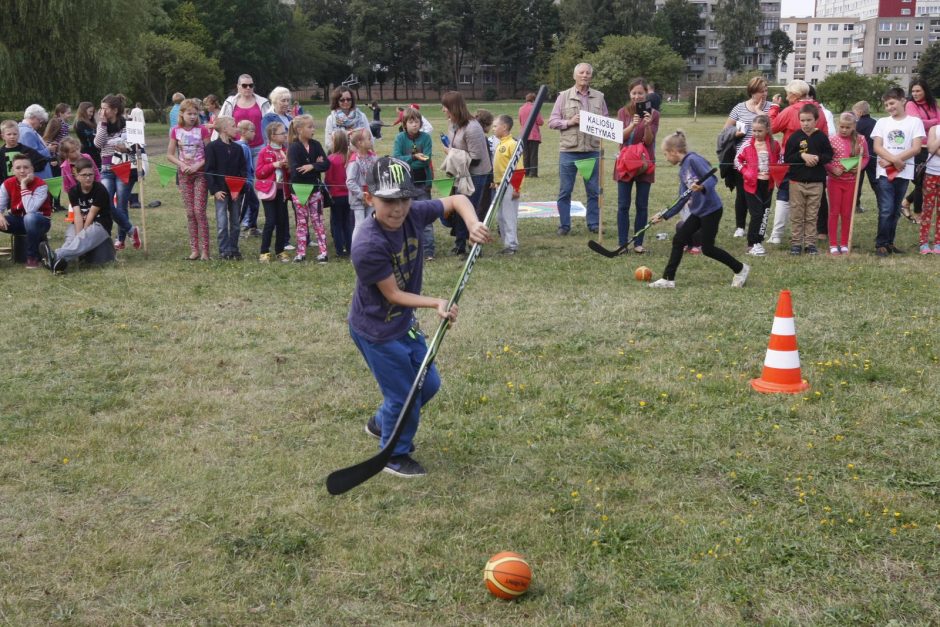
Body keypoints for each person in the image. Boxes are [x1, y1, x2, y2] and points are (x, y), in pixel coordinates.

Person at [350, 156, 491, 477]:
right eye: (389, 201)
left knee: (428, 385)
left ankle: (381, 422)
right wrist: (436, 303)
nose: (398, 208)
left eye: (404, 198)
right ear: (369, 197)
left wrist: (472, 224)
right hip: (376, 330)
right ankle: (394, 453)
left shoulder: (412, 214)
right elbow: (393, 295)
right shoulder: (367, 244)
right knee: (404, 394)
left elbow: (457, 199)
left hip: (402, 323)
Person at [649, 131, 749, 288]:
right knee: (679, 239)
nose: (666, 158)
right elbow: (682, 198)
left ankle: (741, 269)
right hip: (698, 211)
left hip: (711, 210)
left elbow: (712, 178)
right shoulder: (682, 170)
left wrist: (702, 186)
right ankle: (668, 279)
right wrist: (664, 215)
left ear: (674, 151)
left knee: (708, 249)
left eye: (666, 154)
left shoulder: (694, 160)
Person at [548, 62, 608, 235]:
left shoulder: (599, 97)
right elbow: (552, 121)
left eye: (588, 73)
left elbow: (605, 121)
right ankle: (564, 226)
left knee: (593, 191)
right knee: (565, 191)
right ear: (574, 76)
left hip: (591, 150)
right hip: (569, 151)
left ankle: (594, 224)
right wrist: (569, 122)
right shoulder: (563, 96)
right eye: (581, 72)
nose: (585, 75)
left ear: (591, 76)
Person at [766, 79, 829, 245]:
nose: (787, 97)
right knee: (813, 201)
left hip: (793, 159)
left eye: (788, 94)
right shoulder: (819, 110)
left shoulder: (790, 110)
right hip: (816, 162)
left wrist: (774, 108)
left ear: (795, 95)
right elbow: (825, 135)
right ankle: (811, 236)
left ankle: (777, 234)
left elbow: (771, 127)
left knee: (784, 194)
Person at [872, 87, 926, 257]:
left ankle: (889, 242)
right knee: (886, 208)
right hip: (885, 172)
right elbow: (877, 146)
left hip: (903, 173)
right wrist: (892, 161)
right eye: (886, 104)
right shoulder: (882, 122)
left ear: (903, 100)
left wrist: (895, 160)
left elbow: (916, 148)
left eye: (892, 103)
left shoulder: (914, 122)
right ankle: (880, 244)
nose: (889, 107)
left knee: (895, 210)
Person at [42, 157, 112, 273]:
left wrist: (82, 235)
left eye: (90, 174)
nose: (88, 178)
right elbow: (77, 215)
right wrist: (78, 234)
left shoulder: (100, 190)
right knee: (71, 240)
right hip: (79, 222)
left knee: (82, 239)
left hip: (100, 224)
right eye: (84, 175)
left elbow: (91, 214)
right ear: (77, 176)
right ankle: (57, 264)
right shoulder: (73, 191)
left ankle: (54, 255)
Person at [441, 91, 491, 254]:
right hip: (461, 174)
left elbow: (476, 158)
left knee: (471, 211)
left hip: (476, 176)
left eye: (445, 106)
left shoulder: (473, 127)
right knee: (458, 211)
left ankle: (475, 246)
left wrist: (452, 155)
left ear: (453, 107)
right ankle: (459, 244)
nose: (443, 110)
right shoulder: (453, 125)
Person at [615, 77, 660, 253]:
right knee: (623, 205)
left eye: (640, 93)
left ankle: (638, 243)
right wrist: (632, 126)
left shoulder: (654, 114)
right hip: (625, 162)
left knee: (642, 205)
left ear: (646, 94)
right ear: (630, 93)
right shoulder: (622, 112)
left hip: (644, 163)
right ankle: (622, 243)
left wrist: (647, 125)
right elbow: (619, 137)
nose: (637, 96)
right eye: (634, 93)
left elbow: (649, 141)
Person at [724, 77, 771, 238]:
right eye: (761, 91)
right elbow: (725, 131)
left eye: (766, 90)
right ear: (752, 91)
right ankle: (740, 226)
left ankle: (758, 228)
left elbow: (773, 130)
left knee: (762, 194)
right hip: (743, 159)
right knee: (742, 194)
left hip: (764, 159)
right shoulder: (739, 108)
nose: (764, 94)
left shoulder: (771, 107)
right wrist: (737, 134)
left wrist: (760, 113)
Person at [785, 104, 833, 255]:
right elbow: (787, 158)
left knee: (812, 215)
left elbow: (828, 155)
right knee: (797, 214)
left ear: (816, 120)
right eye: (802, 120)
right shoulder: (794, 137)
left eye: (809, 120)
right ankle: (796, 244)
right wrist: (802, 155)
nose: (805, 123)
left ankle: (810, 244)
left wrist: (818, 158)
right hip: (797, 182)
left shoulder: (821, 137)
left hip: (816, 183)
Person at [167, 98, 211, 260]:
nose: (192, 117)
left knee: (199, 211)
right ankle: (194, 249)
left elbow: (209, 154)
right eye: (189, 113)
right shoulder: (175, 131)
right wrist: (181, 164)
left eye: (195, 113)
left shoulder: (202, 130)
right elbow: (170, 155)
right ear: (182, 114)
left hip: (200, 174)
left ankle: (206, 250)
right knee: (190, 213)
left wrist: (198, 165)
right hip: (184, 175)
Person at [95, 94, 141, 250]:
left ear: (114, 110)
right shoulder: (102, 124)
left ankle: (120, 239)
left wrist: (126, 148)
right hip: (106, 168)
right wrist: (102, 123)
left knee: (121, 204)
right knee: (105, 202)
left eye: (105, 109)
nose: (102, 112)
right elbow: (98, 144)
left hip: (124, 166)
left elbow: (138, 147)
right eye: (101, 108)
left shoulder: (129, 124)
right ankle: (131, 230)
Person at [734, 114, 781, 257]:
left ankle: (758, 242)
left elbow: (780, 160)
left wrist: (778, 172)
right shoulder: (747, 144)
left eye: (759, 131)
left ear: (767, 129)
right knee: (757, 214)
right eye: (754, 131)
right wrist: (746, 172)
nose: (756, 134)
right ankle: (751, 243)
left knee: (765, 214)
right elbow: (737, 160)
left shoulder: (774, 145)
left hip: (768, 184)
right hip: (751, 184)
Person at [392, 108, 434, 259]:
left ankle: (428, 250)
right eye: (411, 122)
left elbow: (427, 160)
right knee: (405, 216)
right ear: (404, 124)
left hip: (423, 183)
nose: (414, 125)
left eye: (417, 122)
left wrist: (411, 161)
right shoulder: (400, 138)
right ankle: (408, 250)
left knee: (425, 216)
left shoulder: (426, 138)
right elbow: (396, 158)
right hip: (405, 182)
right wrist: (414, 157)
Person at [287, 114, 330, 263]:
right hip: (299, 191)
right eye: (310, 127)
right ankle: (300, 252)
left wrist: (312, 165)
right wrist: (315, 165)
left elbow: (326, 164)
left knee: (318, 220)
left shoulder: (316, 145)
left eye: (313, 126)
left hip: (316, 191)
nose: (313, 129)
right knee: (301, 222)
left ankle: (323, 252)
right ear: (299, 129)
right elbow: (295, 170)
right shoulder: (293, 148)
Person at [825, 112, 869, 255]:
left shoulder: (861, 140)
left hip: (851, 182)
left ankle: (844, 243)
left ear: (853, 127)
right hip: (835, 181)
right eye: (841, 127)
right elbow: (825, 159)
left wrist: (860, 167)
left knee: (847, 213)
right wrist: (832, 168)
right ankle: (833, 243)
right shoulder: (831, 140)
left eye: (847, 127)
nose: (844, 130)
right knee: (834, 212)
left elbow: (866, 157)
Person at [205, 116, 247, 260]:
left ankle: (234, 249)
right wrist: (215, 190)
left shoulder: (238, 148)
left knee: (235, 222)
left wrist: (238, 189)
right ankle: (224, 250)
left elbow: (243, 170)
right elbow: (209, 171)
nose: (237, 129)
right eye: (234, 126)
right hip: (221, 192)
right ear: (224, 129)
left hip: (236, 192)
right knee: (222, 223)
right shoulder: (212, 147)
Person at [0, 154, 52, 269]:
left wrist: (23, 185)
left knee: (30, 217)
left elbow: (30, 209)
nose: (22, 171)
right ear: (13, 170)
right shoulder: (7, 184)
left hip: (40, 222)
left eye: (26, 167)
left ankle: (32, 257)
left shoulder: (41, 185)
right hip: (18, 220)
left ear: (32, 169)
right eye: (18, 168)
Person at [900, 79, 940, 217]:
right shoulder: (910, 104)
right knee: (920, 180)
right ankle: (918, 213)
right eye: (913, 91)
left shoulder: (933, 104)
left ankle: (906, 202)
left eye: (918, 91)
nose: (915, 93)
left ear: (925, 91)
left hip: (934, 146)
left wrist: (932, 124)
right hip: (920, 146)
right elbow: (917, 123)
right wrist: (934, 123)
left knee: (928, 180)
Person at [256, 121, 291, 262]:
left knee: (282, 221)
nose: (285, 135)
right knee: (270, 221)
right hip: (268, 192)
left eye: (285, 132)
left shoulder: (286, 151)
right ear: (272, 136)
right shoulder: (264, 152)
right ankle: (264, 251)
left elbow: (290, 172)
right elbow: (259, 173)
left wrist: (288, 167)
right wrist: (274, 165)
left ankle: (280, 250)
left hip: (282, 192)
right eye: (282, 133)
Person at [219, 75, 271, 163]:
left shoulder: (263, 102)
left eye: (251, 85)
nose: (248, 88)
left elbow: (270, 124)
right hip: (237, 146)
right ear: (238, 86)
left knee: (257, 176)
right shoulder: (229, 102)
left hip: (259, 147)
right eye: (244, 85)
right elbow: (222, 122)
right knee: (240, 175)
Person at [492, 114, 523, 255]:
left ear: (504, 127)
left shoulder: (512, 144)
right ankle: (506, 243)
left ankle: (511, 245)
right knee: (501, 216)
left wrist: (516, 188)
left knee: (509, 216)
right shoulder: (500, 144)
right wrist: (495, 182)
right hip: (499, 185)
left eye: (495, 126)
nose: (493, 129)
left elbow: (519, 168)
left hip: (510, 185)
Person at [325, 130, 352, 257]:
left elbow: (328, 179)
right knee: (347, 222)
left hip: (336, 195)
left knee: (337, 223)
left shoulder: (331, 159)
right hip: (349, 195)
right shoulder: (350, 158)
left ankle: (340, 249)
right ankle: (349, 246)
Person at [346, 129, 378, 230]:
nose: (371, 140)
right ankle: (357, 245)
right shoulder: (354, 161)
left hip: (372, 197)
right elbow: (350, 182)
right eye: (369, 138)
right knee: (360, 226)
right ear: (360, 142)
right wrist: (361, 195)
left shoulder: (374, 158)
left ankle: (369, 245)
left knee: (371, 223)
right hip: (358, 200)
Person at [324, 87, 372, 153]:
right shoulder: (331, 119)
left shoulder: (362, 116)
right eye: (342, 100)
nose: (346, 102)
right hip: (339, 156)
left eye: (349, 99)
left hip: (360, 155)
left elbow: (370, 139)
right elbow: (328, 143)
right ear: (336, 101)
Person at [235, 120, 260, 237]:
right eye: (252, 131)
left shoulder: (244, 146)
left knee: (254, 204)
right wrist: (245, 181)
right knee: (245, 205)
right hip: (245, 183)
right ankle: (240, 227)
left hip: (248, 181)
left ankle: (252, 227)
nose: (254, 133)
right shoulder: (242, 147)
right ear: (244, 132)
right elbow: (242, 166)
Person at [852, 101, 878, 212]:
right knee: (876, 182)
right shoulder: (875, 122)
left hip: (861, 157)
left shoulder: (857, 125)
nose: (855, 114)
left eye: (855, 112)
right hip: (874, 156)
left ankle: (856, 205)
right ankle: (882, 204)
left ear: (860, 112)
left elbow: (854, 141)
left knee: (858, 182)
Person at [919, 124, 940, 254]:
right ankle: (924, 242)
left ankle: (938, 242)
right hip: (931, 174)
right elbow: (931, 148)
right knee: (927, 208)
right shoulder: (934, 129)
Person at [18, 105, 53, 179]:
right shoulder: (27, 132)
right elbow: (33, 156)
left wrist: (43, 145)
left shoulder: (22, 129)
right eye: (40, 121)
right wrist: (48, 149)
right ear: (33, 117)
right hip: (38, 175)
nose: (40, 125)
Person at [518, 92, 544, 177]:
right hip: (533, 134)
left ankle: (526, 172)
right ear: (534, 99)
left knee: (525, 154)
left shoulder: (521, 108)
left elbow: (521, 122)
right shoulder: (535, 108)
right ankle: (533, 173)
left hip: (524, 134)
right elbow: (540, 122)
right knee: (533, 155)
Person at [74, 102, 101, 168]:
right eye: (90, 111)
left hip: (96, 152)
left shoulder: (91, 122)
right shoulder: (80, 124)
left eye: (93, 112)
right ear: (83, 111)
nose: (91, 114)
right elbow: (91, 137)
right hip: (88, 153)